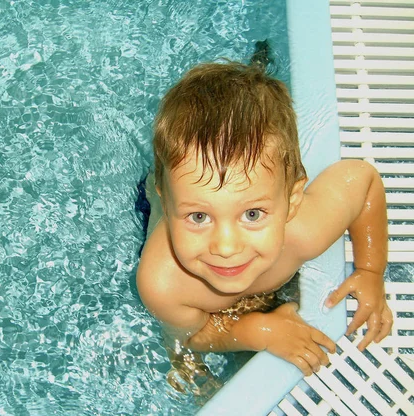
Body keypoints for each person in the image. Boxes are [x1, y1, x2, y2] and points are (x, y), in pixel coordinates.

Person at [136, 61, 393, 394]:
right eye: (199, 217)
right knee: (186, 370)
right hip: (152, 200)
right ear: (169, 205)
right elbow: (190, 335)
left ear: (293, 200)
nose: (226, 247)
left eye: (253, 214)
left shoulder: (307, 230)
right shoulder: (164, 283)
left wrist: (371, 270)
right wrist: (258, 330)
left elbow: (363, 180)